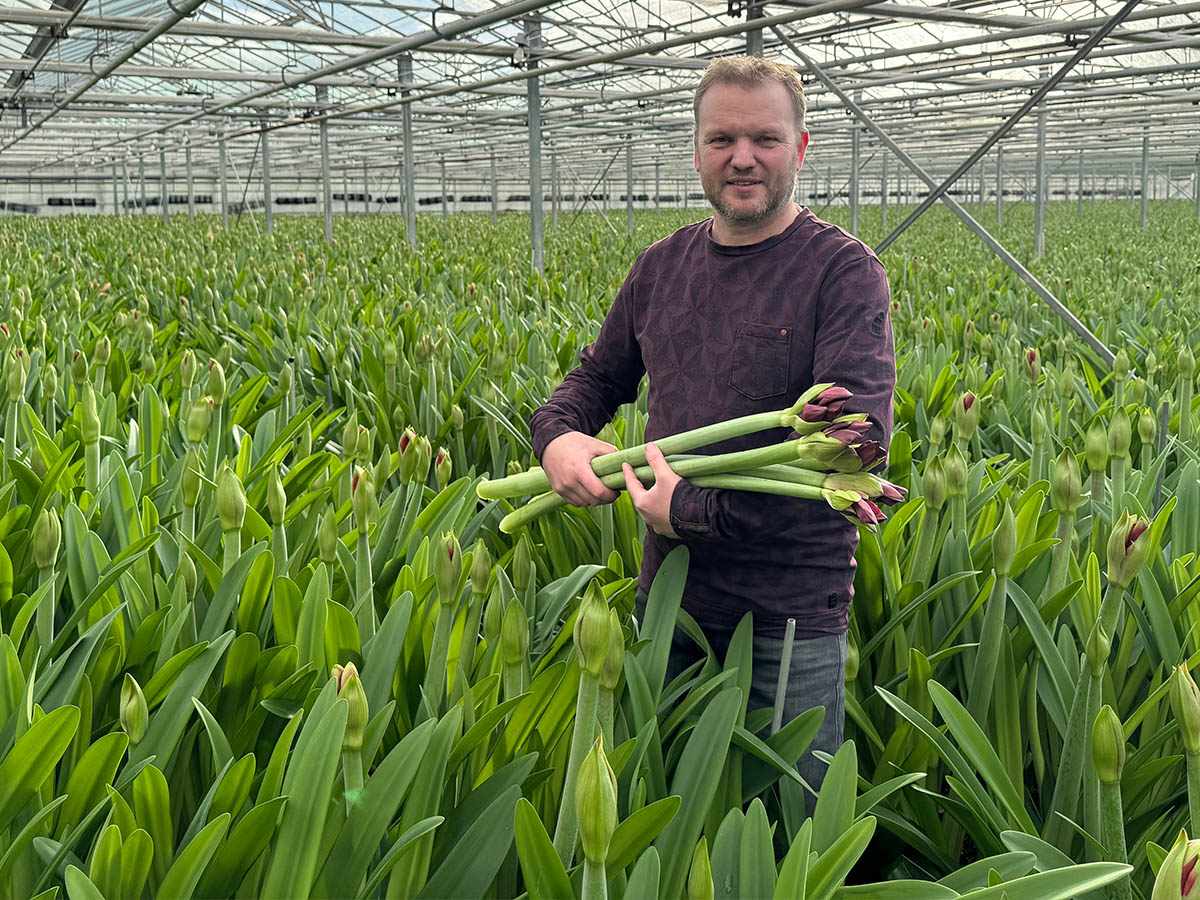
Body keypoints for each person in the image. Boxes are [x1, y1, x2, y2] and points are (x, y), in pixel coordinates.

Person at [528, 56, 895, 810]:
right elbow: (597, 379)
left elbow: (855, 448)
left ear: (799, 148)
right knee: (664, 816)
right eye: (721, 138)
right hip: (670, 603)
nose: (742, 157)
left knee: (792, 831)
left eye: (764, 138)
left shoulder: (842, 272)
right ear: (696, 149)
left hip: (789, 615)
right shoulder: (660, 268)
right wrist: (557, 436)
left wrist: (685, 512)